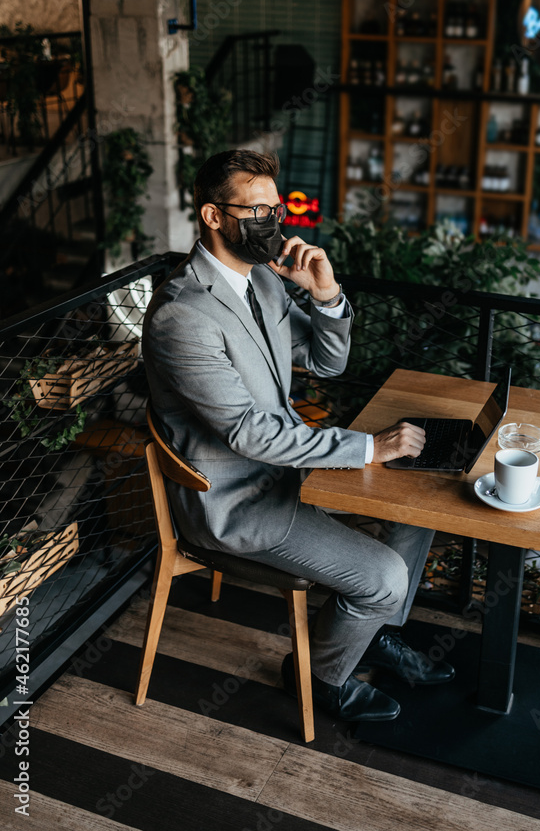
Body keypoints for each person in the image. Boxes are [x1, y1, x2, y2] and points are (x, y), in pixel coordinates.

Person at [142, 148, 454, 723]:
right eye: (257, 210)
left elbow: (325, 362)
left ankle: (367, 629)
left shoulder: (261, 281)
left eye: (276, 208)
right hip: (239, 502)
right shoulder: (181, 315)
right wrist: (368, 447)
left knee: (421, 503)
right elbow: (248, 433)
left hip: (289, 466)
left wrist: (326, 293)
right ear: (214, 217)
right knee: (385, 575)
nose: (274, 222)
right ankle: (320, 676)